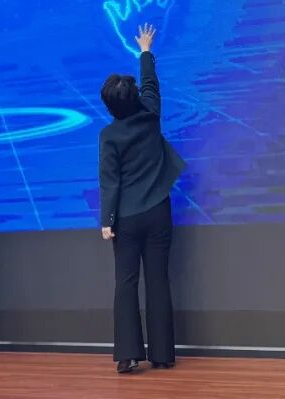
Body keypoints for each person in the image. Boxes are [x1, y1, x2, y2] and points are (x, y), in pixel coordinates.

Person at [98, 24, 187, 374]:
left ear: (109, 106)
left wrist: (107, 220)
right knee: (158, 280)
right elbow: (151, 84)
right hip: (158, 211)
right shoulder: (151, 116)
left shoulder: (108, 136)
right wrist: (145, 51)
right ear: (135, 98)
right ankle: (163, 355)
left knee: (126, 282)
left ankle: (128, 355)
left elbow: (110, 181)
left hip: (126, 219)